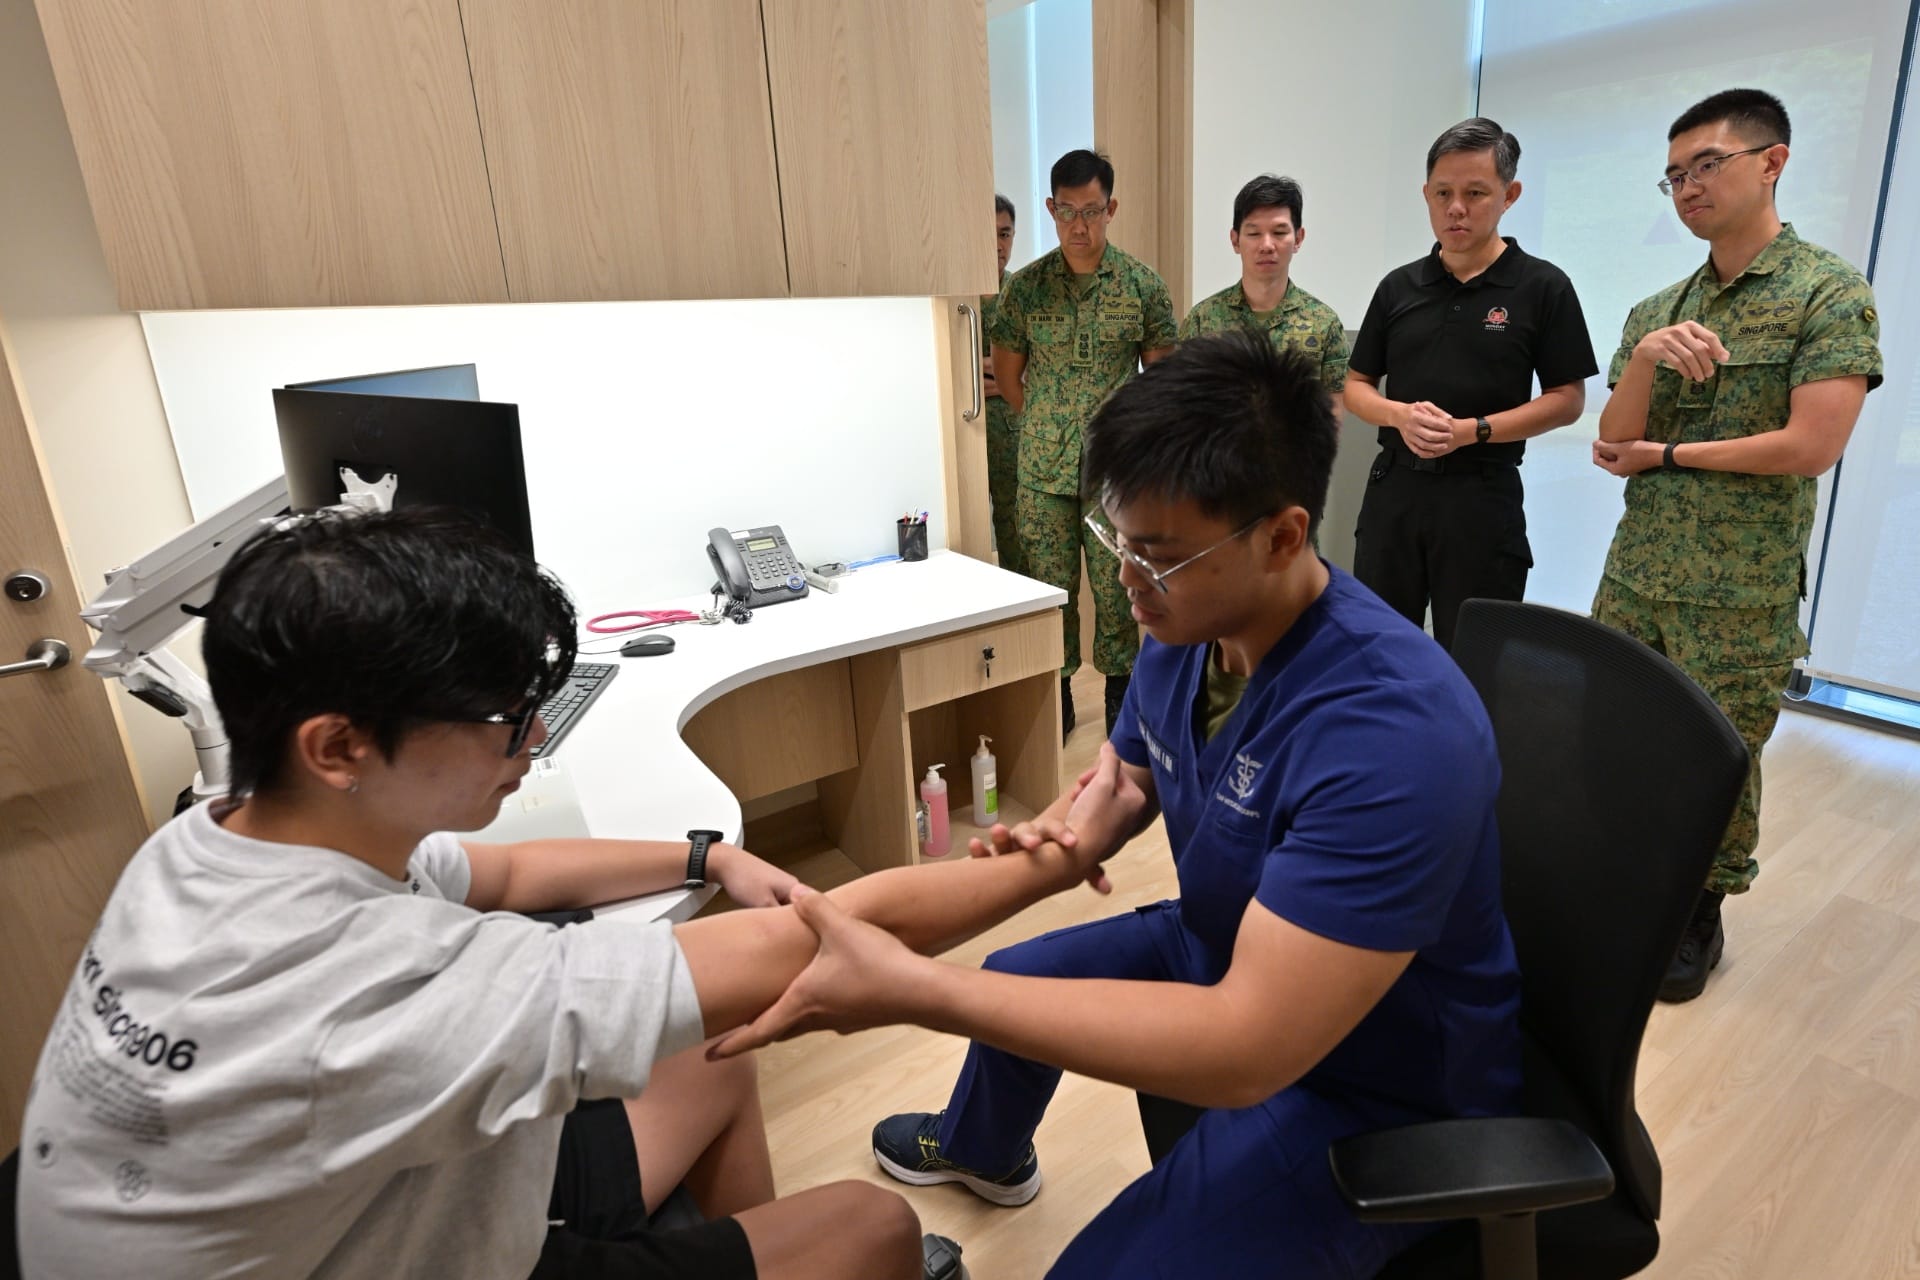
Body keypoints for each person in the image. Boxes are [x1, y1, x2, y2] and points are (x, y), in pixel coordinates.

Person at [16, 507, 1128, 1280]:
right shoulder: (382, 994)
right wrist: (1067, 847)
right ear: (341, 743)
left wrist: (708, 857)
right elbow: (820, 942)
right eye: (506, 722)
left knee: (707, 1044)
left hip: (352, 1221)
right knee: (875, 1230)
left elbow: (499, 871)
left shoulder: (216, 841)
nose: (534, 740)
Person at [719, 334, 1524, 1278]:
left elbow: (1246, 1048)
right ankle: (982, 1150)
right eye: (1119, 543)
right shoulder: (1191, 621)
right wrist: (1076, 825)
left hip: (1372, 1084)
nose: (1130, 583)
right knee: (1022, 973)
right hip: (1224, 939)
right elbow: (1132, 773)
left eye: (1159, 557)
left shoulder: (1394, 732)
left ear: (1282, 536)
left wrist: (915, 989)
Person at [1589, 88, 1882, 1003]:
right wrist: (1642, 364)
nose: (1686, 188)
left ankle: (1699, 909)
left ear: (1772, 161)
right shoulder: (1657, 307)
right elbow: (1611, 445)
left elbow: (1813, 444)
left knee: (1719, 754)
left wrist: (1670, 452)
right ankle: (1627, 890)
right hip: (1638, 575)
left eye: (1705, 166)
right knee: (1619, 738)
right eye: (1673, 176)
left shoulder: (1826, 292)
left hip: (1741, 589)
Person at [1345, 118, 1598, 650]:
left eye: (1475, 193)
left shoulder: (1542, 286)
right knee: (1379, 650)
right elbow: (1357, 385)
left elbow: (1567, 399)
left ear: (1510, 195)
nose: (1455, 208)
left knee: (1477, 657)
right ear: (1427, 195)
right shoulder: (1398, 287)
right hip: (1395, 493)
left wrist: (1472, 430)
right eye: (1443, 194)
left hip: (1482, 495)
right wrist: (1398, 415)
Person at [991, 149, 1178, 738]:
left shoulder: (1143, 286)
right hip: (1042, 475)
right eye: (1067, 212)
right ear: (1051, 209)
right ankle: (1060, 695)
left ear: (1111, 209)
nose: (1079, 226)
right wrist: (1051, 426)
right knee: (1050, 592)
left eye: (1092, 212)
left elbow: (1162, 384)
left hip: (1114, 477)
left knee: (1119, 589)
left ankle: (1123, 698)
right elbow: (1010, 378)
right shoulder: (1025, 290)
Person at [1179, 174, 1348, 413]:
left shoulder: (1324, 324)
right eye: (1254, 233)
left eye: (1279, 233)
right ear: (1235, 240)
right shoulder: (1201, 320)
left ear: (1298, 239)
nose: (1267, 245)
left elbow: (1333, 416)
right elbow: (1183, 406)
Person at [982, 193, 1026, 577]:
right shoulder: (951, 300)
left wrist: (1010, 372)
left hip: (1015, 443)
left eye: (1005, 233)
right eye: (989, 233)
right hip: (965, 440)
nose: (998, 245)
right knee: (972, 552)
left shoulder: (1023, 294)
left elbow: (1045, 366)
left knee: (1018, 549)